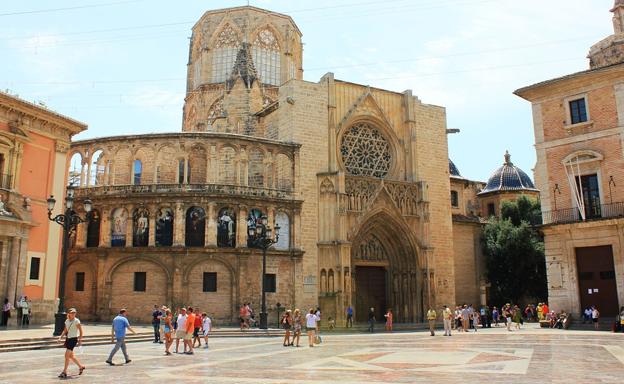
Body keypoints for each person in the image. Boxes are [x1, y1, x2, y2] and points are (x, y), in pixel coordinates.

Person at [57, 308, 85, 378]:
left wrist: (80, 340)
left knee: (66, 355)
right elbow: (65, 330)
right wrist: (60, 337)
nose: (73, 314)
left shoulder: (76, 321)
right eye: (72, 313)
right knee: (71, 356)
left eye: (74, 313)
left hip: (73, 339)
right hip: (68, 339)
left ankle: (64, 372)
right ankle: (81, 367)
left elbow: (81, 331)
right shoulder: (67, 321)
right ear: (69, 313)